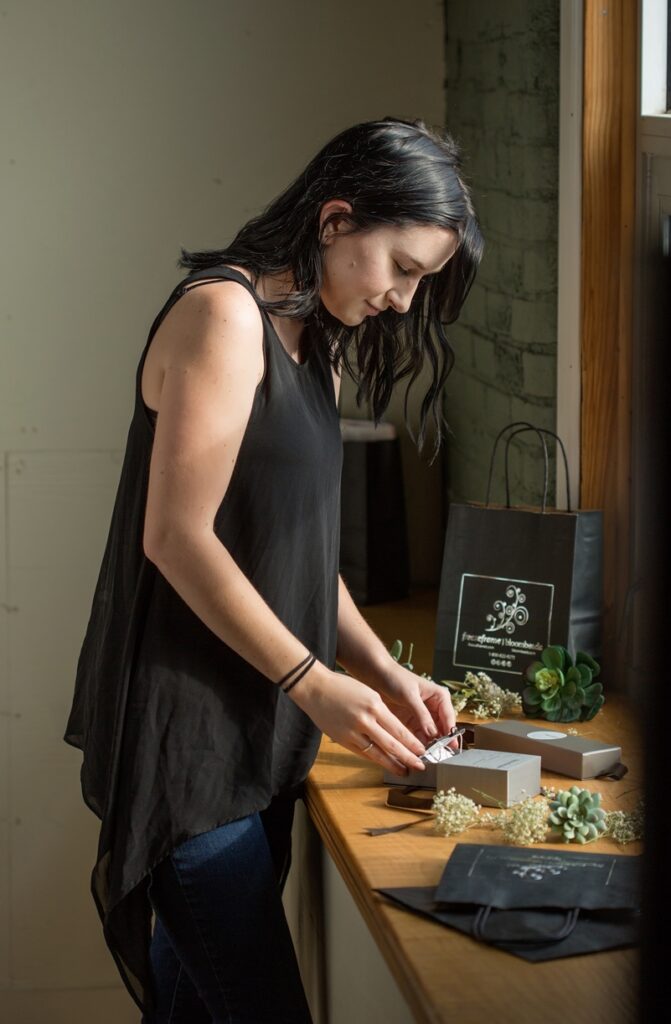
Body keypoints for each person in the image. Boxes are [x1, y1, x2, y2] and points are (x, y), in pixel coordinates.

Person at [63, 116, 483, 1023]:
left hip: (260, 732)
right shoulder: (223, 315)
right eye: (401, 269)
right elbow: (175, 537)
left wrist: (380, 668)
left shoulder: (311, 340)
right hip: (191, 744)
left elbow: (296, 553)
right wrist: (312, 681)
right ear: (336, 221)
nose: (405, 301)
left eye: (422, 281)